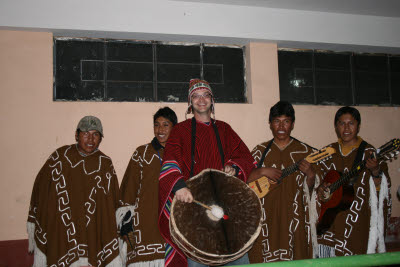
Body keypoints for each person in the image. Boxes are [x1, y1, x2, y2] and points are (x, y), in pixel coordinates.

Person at [158, 79, 256, 267]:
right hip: (194, 206)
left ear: (212, 100)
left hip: (225, 208)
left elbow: (245, 157)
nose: (201, 100)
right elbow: (170, 161)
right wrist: (179, 186)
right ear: (189, 102)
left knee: (238, 260)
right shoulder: (180, 131)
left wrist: (233, 167)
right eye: (196, 96)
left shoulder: (225, 129)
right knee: (197, 262)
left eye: (206, 95)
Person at [27, 116, 123, 267]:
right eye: (85, 133)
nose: (90, 139)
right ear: (76, 135)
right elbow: (41, 189)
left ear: (100, 139)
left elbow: (111, 202)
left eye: (95, 134)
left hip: (93, 233)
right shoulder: (59, 158)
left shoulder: (105, 163)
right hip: (60, 230)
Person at [248, 101, 320, 263]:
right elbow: (243, 181)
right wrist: (261, 171)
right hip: (267, 220)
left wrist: (310, 174)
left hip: (294, 219)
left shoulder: (305, 151)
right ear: (270, 124)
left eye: (286, 121)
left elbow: (315, 189)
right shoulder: (260, 151)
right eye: (276, 121)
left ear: (292, 124)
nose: (281, 126)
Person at [316, 106, 391, 257]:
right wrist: (320, 188)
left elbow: (383, 190)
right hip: (328, 226)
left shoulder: (370, 153)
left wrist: (375, 171)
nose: (346, 128)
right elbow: (316, 182)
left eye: (351, 123)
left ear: (358, 126)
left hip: (356, 223)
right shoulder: (327, 152)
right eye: (342, 123)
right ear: (336, 126)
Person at [120, 107, 178, 267]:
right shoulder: (141, 153)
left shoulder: (182, 154)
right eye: (157, 125)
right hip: (144, 225)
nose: (160, 129)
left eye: (166, 125)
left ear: (174, 127)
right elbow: (129, 188)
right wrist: (126, 221)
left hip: (175, 224)